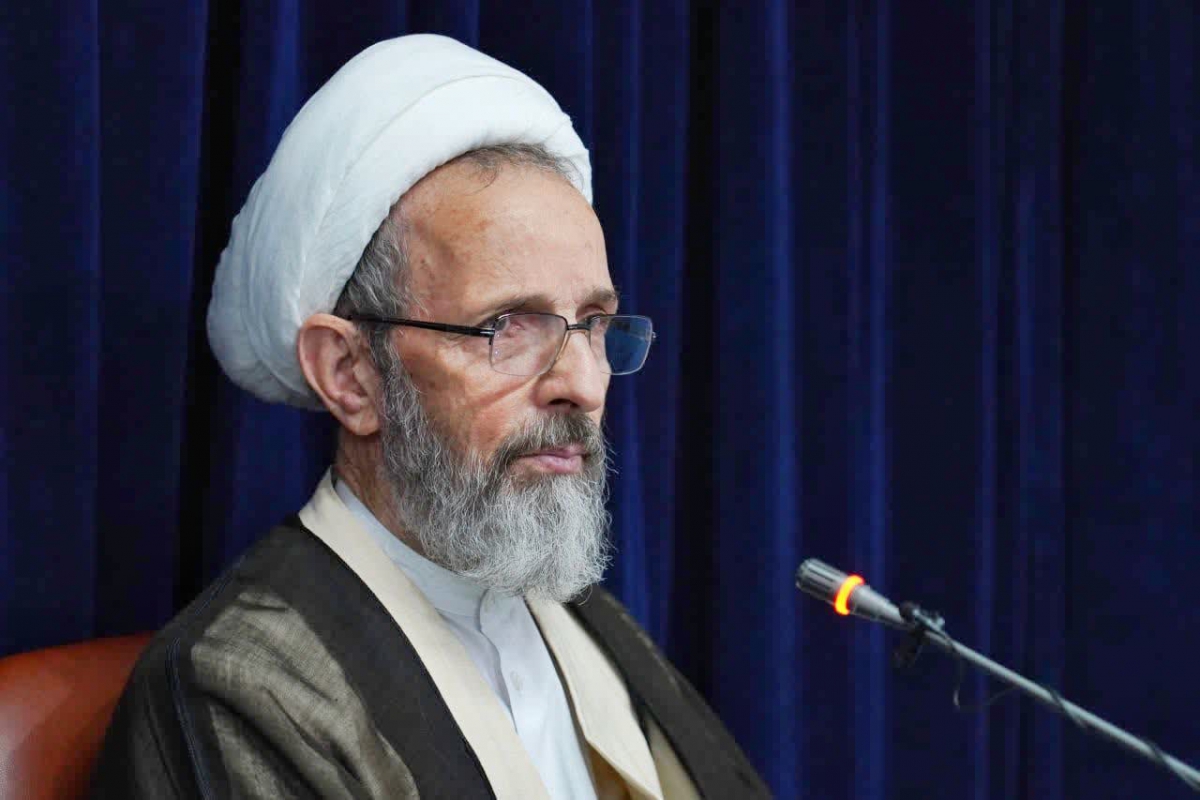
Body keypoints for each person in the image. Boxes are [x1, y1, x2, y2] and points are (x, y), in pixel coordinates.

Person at [91, 34, 769, 799]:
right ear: (351, 375)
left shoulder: (586, 624)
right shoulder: (240, 689)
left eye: (594, 324)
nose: (582, 383)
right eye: (508, 327)